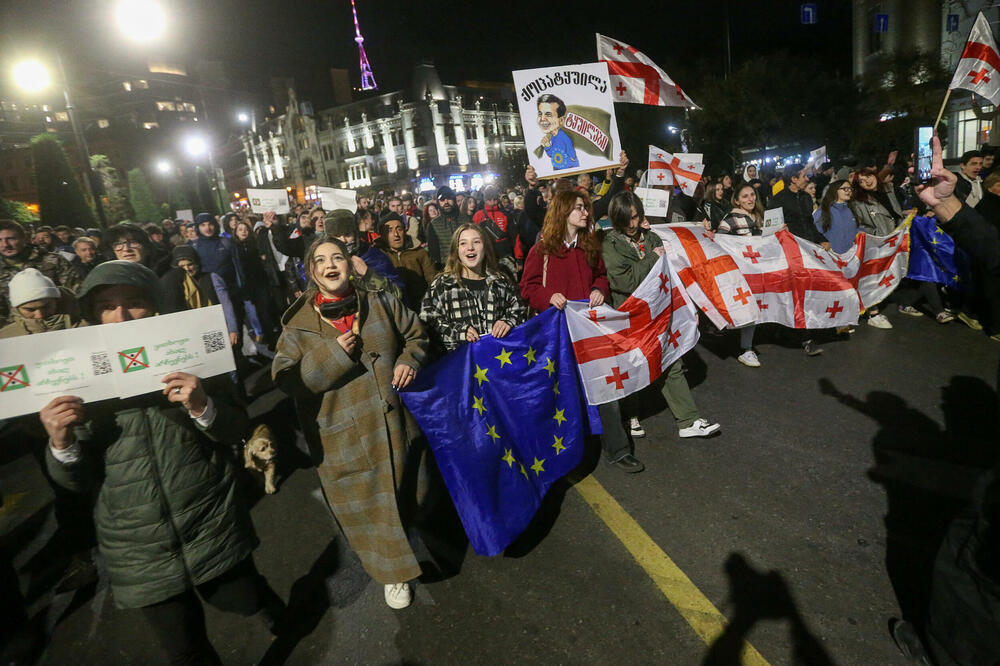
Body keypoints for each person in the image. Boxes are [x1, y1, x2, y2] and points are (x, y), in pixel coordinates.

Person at [39, 260, 284, 664]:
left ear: (153, 306)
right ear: (92, 313)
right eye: (106, 305)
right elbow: (76, 482)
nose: (120, 317)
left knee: (247, 597)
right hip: (136, 545)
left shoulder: (189, 353)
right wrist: (61, 442)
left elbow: (237, 428)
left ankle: (277, 612)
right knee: (184, 648)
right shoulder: (74, 373)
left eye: (133, 302)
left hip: (209, 521)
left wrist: (202, 405)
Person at [272, 237, 430, 609]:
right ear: (311, 271)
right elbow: (285, 380)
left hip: (395, 426)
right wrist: (330, 355)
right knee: (374, 509)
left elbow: (416, 334)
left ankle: (403, 543)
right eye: (321, 260)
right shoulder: (297, 327)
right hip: (345, 437)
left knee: (414, 495)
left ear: (348, 263)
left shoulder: (379, 301)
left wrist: (411, 359)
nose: (330, 265)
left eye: (337, 258)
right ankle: (393, 574)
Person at [602, 190, 723, 443]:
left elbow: (667, 273)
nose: (632, 224)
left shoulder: (652, 236)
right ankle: (630, 414)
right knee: (632, 366)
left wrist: (685, 308)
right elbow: (624, 280)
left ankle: (688, 420)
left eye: (635, 217)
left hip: (657, 312)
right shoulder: (609, 244)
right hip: (629, 315)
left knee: (671, 360)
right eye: (626, 219)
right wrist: (650, 260)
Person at [420, 223, 527, 352]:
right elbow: (427, 321)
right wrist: (457, 332)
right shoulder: (442, 285)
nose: (470, 248)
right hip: (459, 364)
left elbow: (519, 310)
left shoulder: (500, 282)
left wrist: (508, 322)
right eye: (463, 243)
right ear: (456, 250)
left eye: (476, 242)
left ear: (485, 247)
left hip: (496, 359)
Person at [0, 219, 82, 326]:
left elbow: (77, 293)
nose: (5, 244)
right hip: (18, 330)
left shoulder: (52, 260)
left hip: (60, 324)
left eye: (10, 239)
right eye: (0, 240)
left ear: (24, 238)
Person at [718, 185, 766, 366]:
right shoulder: (730, 220)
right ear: (736, 200)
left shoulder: (760, 217)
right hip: (742, 272)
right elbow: (719, 243)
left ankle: (746, 343)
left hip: (759, 270)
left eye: (752, 195)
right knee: (747, 307)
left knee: (755, 306)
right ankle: (746, 349)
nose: (750, 199)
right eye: (745, 196)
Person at [160, 246, 240, 347]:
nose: (187, 269)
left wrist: (232, 329)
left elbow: (226, 304)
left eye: (190, 264)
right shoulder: (175, 285)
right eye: (182, 266)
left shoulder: (212, 278)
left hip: (214, 328)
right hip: (193, 332)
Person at [378, 213, 437, 308]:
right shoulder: (378, 255)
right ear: (382, 234)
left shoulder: (420, 253)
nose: (396, 234)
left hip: (420, 306)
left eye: (399, 229)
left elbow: (433, 281)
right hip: (392, 307)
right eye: (389, 230)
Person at [769, 164, 830, 247]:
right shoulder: (776, 200)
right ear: (794, 179)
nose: (807, 179)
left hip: (810, 247)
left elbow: (810, 223)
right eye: (804, 176)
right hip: (791, 248)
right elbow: (772, 229)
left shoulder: (806, 197)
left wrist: (822, 240)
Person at [472, 185, 521, 269]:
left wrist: (519, 258)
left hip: (506, 255)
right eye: (489, 199)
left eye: (494, 199)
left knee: (509, 281)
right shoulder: (478, 216)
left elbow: (515, 237)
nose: (492, 202)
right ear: (485, 200)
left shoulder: (505, 214)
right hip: (486, 257)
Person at [105, 223, 172, 276]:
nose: (126, 249)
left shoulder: (168, 274)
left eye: (133, 242)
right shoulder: (108, 278)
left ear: (147, 247)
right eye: (118, 244)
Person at [813, 180, 860, 254]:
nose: (849, 191)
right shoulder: (823, 211)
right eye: (845, 188)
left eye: (850, 189)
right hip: (832, 257)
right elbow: (815, 233)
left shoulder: (852, 209)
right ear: (835, 190)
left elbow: (856, 230)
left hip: (853, 256)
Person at [535, 94, 578, 170]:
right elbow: (554, 154)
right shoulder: (553, 136)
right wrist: (548, 146)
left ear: (561, 120)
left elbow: (568, 161)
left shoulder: (562, 138)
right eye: (540, 114)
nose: (542, 118)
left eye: (548, 115)